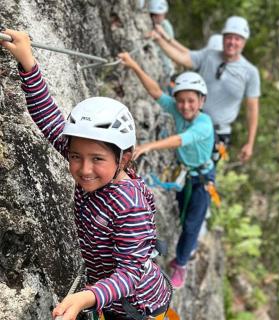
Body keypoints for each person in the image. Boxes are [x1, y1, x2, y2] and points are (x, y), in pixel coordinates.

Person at [0, 29, 171, 320]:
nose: (84, 168)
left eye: (98, 159)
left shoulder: (130, 205)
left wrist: (86, 297)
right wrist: (28, 65)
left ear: (124, 158)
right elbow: (50, 119)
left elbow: (130, 273)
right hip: (108, 293)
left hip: (137, 306)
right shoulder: (93, 168)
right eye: (76, 156)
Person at [118, 52, 215, 289]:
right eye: (181, 100)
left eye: (191, 100)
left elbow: (181, 140)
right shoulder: (177, 109)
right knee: (184, 218)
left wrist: (148, 146)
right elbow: (155, 93)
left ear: (201, 101)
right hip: (187, 176)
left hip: (203, 179)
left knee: (191, 225)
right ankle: (186, 247)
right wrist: (134, 65)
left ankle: (181, 263)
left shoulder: (204, 123)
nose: (185, 106)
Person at [150, 16, 261, 163]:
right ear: (223, 38)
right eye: (229, 37)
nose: (232, 42)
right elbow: (183, 57)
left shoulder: (250, 72)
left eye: (237, 39)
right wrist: (159, 40)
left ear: (244, 42)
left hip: (217, 132)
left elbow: (252, 109)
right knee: (176, 167)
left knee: (201, 175)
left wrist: (250, 143)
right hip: (189, 122)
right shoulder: (209, 55)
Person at [148, 0, 175, 93]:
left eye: (161, 14)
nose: (159, 17)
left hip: (166, 68)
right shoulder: (147, 25)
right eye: (156, 15)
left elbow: (171, 44)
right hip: (154, 66)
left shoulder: (166, 26)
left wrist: (161, 36)